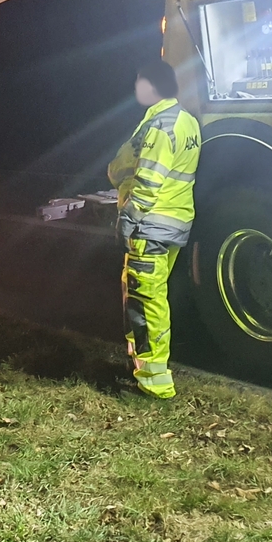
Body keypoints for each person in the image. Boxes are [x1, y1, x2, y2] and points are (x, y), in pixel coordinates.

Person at [107, 59, 200, 398]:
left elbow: (148, 181)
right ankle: (140, 369)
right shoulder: (186, 121)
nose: (135, 90)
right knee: (145, 298)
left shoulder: (161, 127)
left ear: (149, 86)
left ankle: (153, 384)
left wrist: (128, 219)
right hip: (173, 223)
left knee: (146, 302)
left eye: (138, 83)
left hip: (150, 226)